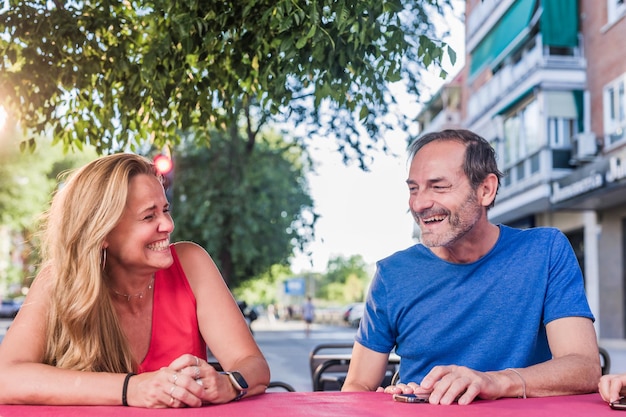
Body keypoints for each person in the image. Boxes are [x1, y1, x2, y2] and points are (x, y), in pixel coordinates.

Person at [341, 129, 601, 404]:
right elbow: (357, 385)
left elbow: (583, 367)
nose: (419, 203)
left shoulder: (545, 250)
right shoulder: (392, 274)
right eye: (413, 189)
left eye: (439, 187)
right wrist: (388, 398)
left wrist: (495, 381)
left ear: (485, 190)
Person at [0, 153, 270, 408]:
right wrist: (133, 389)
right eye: (149, 216)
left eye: (165, 209)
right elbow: (5, 378)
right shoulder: (59, 279)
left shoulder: (191, 263)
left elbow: (253, 365)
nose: (168, 225)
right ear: (103, 232)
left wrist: (230, 383)